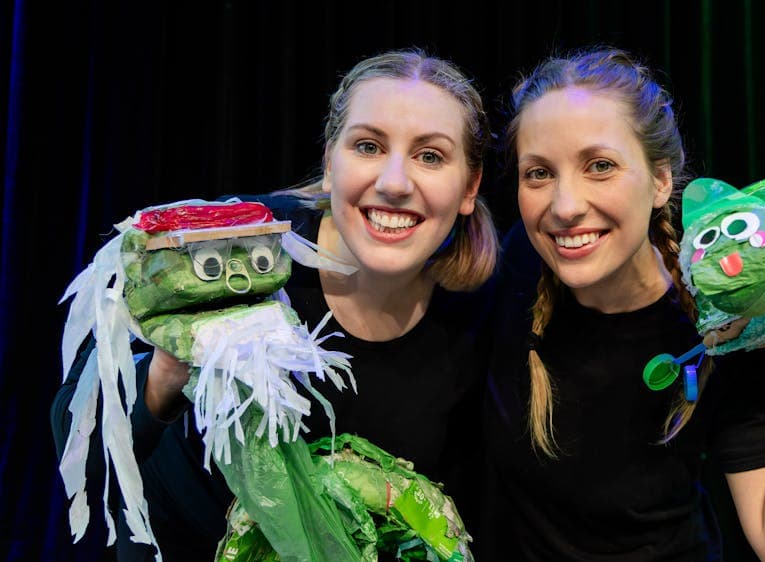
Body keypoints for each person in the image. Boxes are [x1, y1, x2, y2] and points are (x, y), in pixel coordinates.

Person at [51, 47, 498, 561]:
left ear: (470, 186)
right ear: (331, 162)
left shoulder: (481, 310)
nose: (394, 182)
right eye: (369, 146)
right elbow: (77, 444)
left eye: (430, 156)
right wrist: (167, 367)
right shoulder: (234, 251)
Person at [478, 45, 765, 561]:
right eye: (538, 173)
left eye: (600, 166)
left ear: (660, 181)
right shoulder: (517, 260)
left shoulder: (726, 315)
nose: (564, 206)